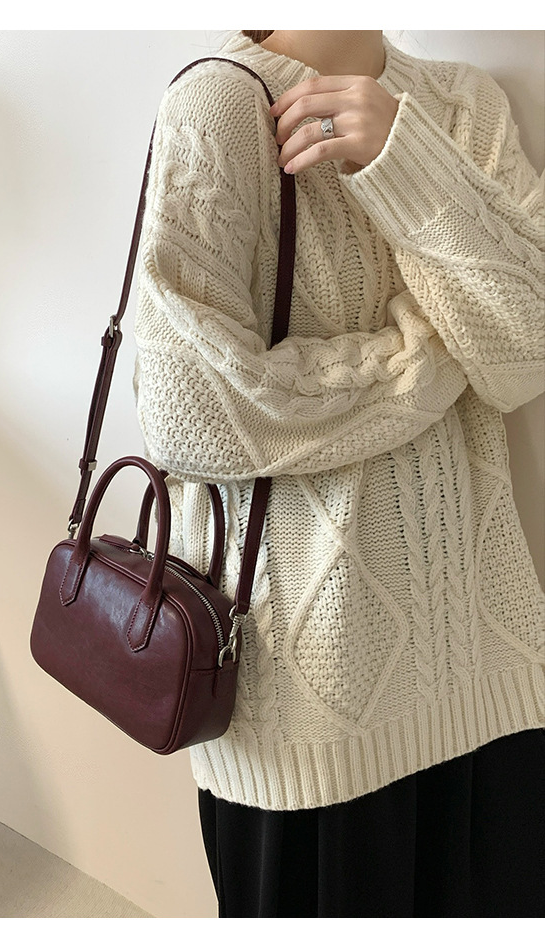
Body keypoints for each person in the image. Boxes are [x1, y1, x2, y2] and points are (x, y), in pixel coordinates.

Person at [131, 29, 545, 917]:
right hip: (308, 702)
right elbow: (189, 407)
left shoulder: (465, 105)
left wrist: (404, 157)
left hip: (486, 666)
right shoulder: (218, 103)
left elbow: (527, 353)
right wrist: (432, 348)